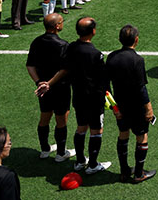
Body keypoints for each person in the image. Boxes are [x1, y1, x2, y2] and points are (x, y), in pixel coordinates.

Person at [36, 17, 111, 175]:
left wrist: (48, 83)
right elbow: (102, 80)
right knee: (96, 131)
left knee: (81, 128)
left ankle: (79, 161)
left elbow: (65, 68)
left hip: (78, 96)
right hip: (94, 99)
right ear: (93, 31)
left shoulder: (71, 47)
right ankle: (92, 165)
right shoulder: (96, 54)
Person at [107, 24, 156, 183]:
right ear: (136, 40)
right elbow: (141, 87)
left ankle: (124, 171)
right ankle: (139, 173)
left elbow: (105, 87)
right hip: (136, 106)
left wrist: (114, 108)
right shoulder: (137, 60)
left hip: (120, 105)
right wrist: (148, 108)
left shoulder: (111, 57)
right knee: (141, 136)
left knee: (123, 134)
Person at [25, 13, 74, 162]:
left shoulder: (36, 42)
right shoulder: (63, 45)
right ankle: (60, 153)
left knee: (44, 117)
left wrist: (39, 82)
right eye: (61, 21)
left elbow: (30, 65)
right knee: (61, 120)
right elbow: (64, 69)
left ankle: (45, 149)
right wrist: (49, 84)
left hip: (43, 89)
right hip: (60, 88)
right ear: (57, 26)